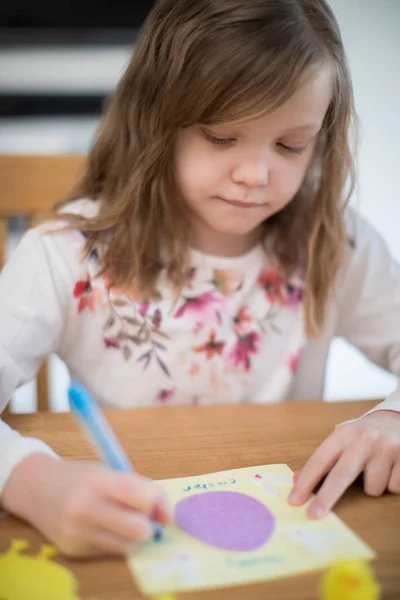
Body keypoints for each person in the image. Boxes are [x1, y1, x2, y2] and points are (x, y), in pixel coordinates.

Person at [0, 0, 399, 559]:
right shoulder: (65, 256)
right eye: (220, 136)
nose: (256, 174)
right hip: (131, 548)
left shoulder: (335, 243)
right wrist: (28, 480)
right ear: (155, 117)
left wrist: (394, 417)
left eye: (290, 145)